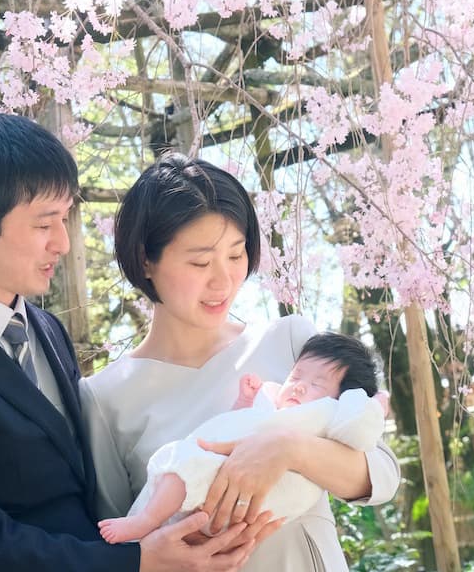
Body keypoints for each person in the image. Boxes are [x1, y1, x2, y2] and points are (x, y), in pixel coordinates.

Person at [0, 115, 259, 572]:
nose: (63, 243)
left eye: (64, 219)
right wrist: (134, 562)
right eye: (44, 224)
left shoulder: (46, 329)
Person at [81, 153, 401, 571]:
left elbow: (381, 474)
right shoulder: (105, 398)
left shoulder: (291, 343)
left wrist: (285, 447)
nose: (224, 280)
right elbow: (115, 545)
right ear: (146, 259)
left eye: (236, 256)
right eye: (200, 262)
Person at [98, 332, 388, 545]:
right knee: (181, 465)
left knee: (184, 464)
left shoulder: (325, 417)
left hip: (247, 502)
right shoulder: (272, 404)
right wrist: (245, 401)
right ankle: (147, 521)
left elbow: (367, 444)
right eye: (296, 376)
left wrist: (375, 405)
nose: (299, 387)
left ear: (342, 399)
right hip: (214, 492)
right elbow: (234, 427)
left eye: (317, 384)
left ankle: (146, 520)